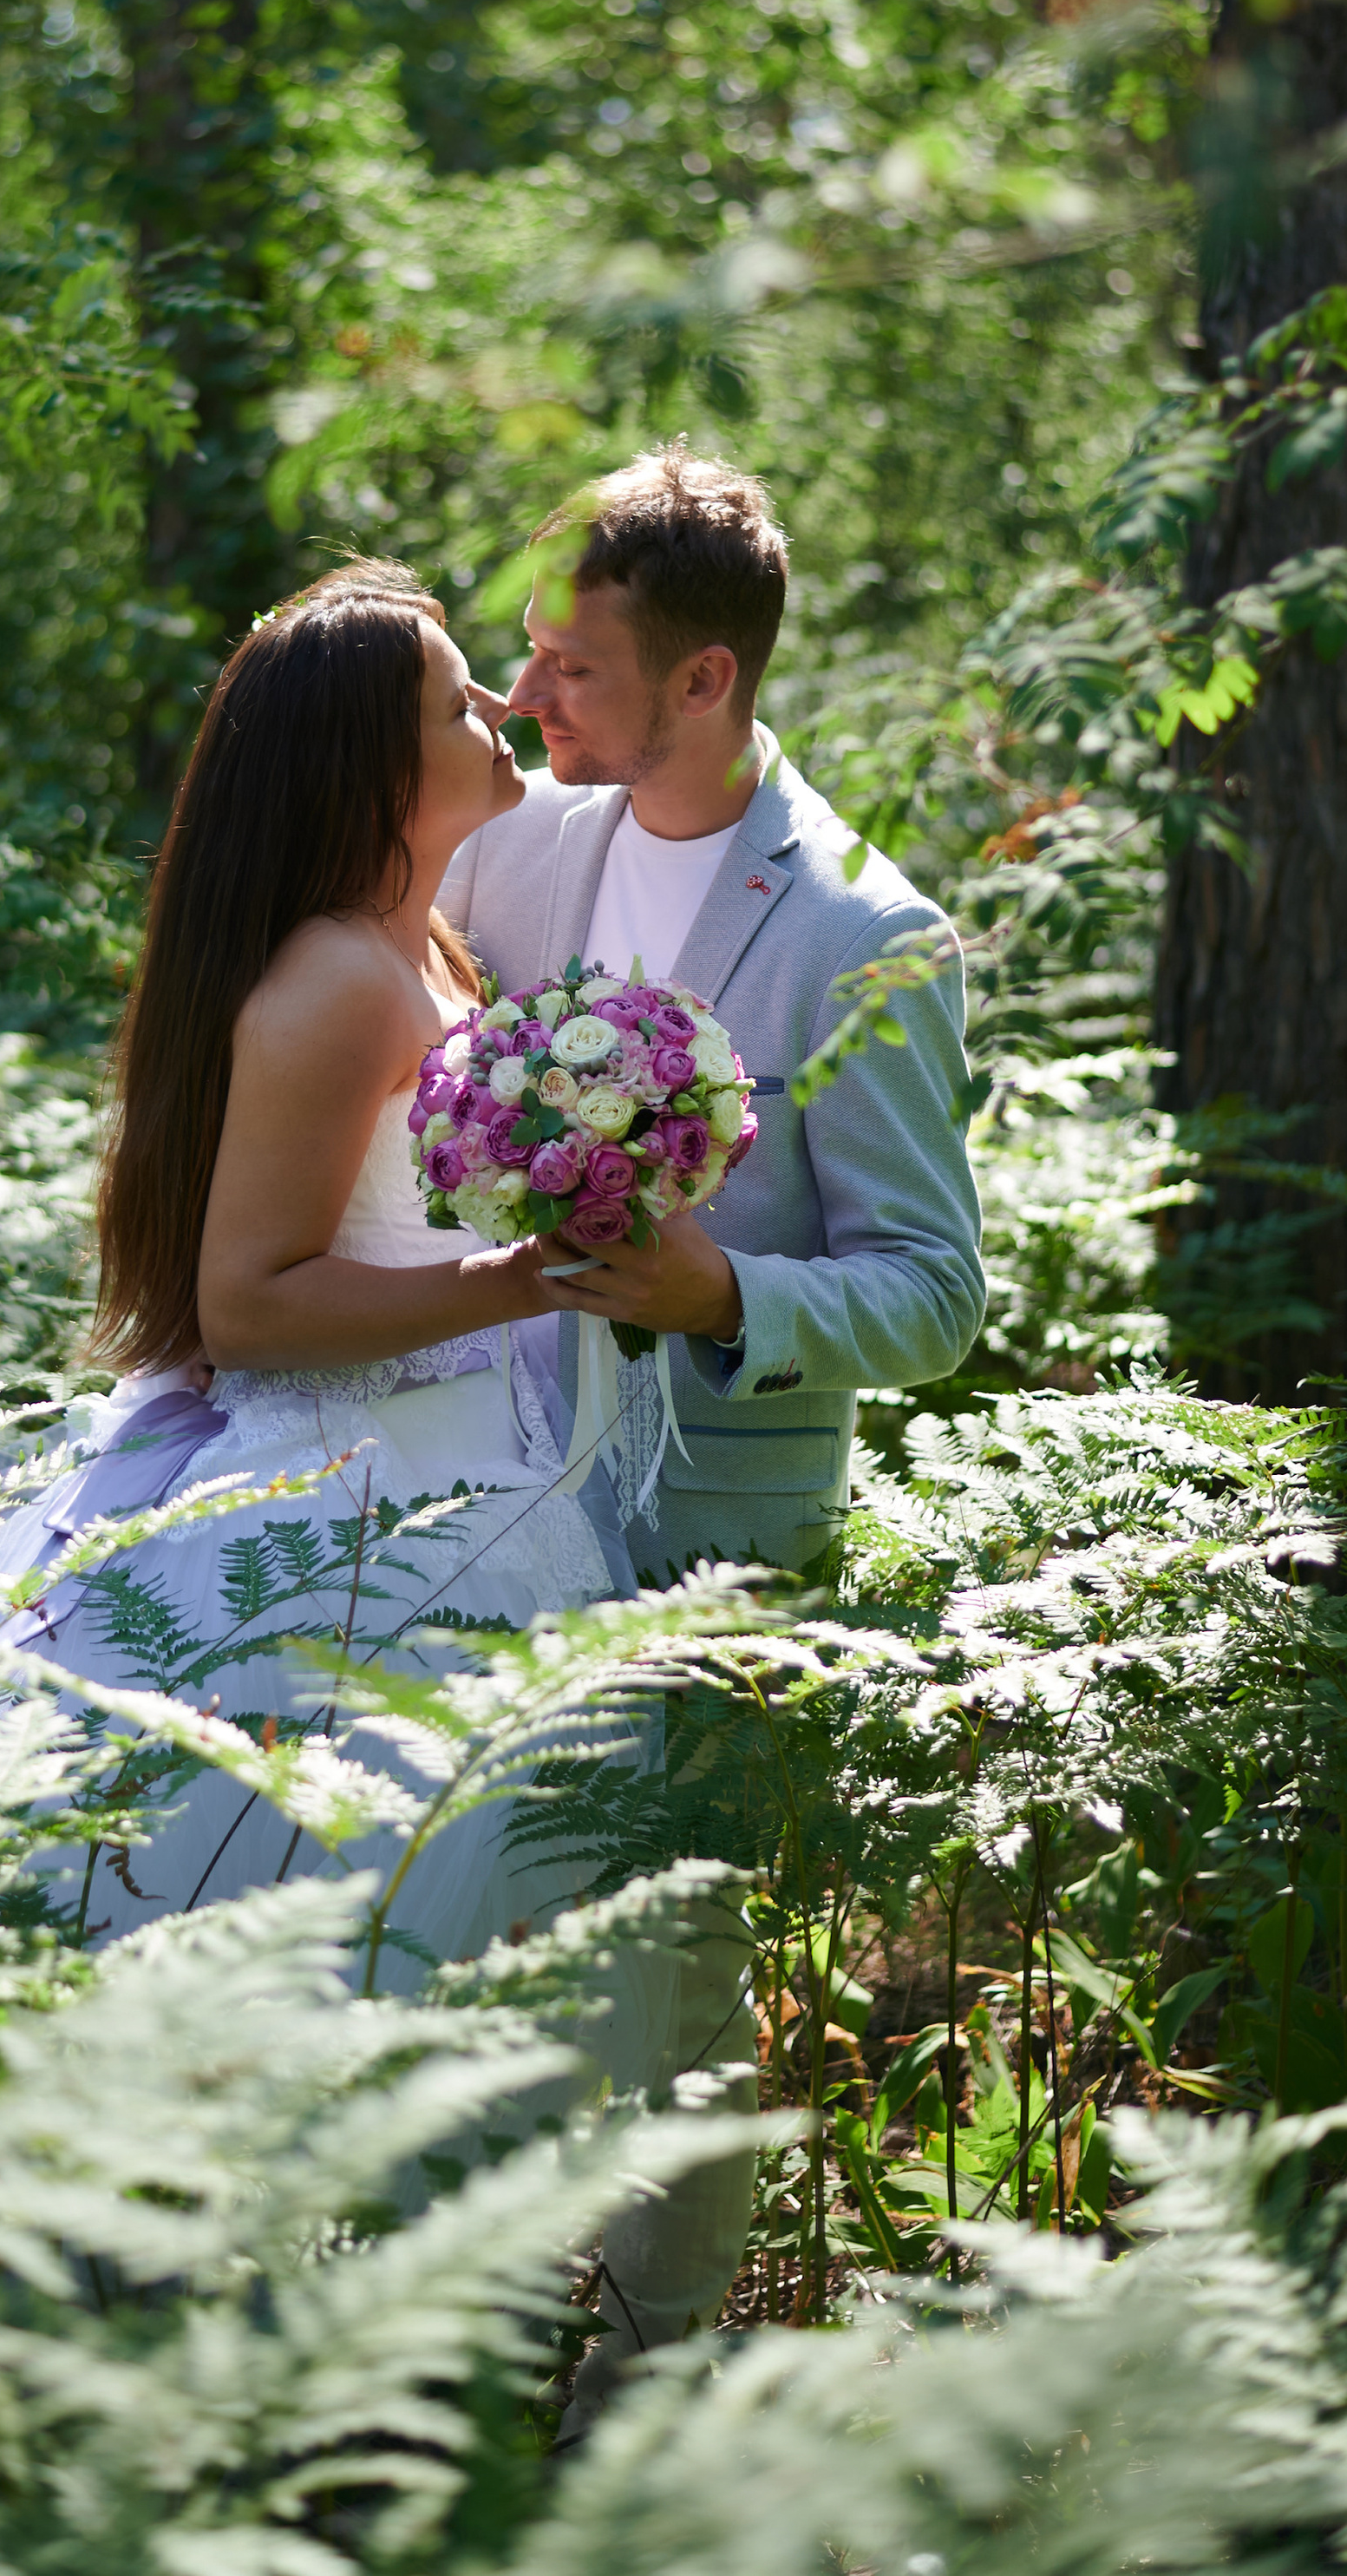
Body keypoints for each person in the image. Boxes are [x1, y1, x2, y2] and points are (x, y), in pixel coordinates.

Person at [0, 563, 635, 1979]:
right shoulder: (336, 981)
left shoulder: (426, 948)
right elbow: (248, 1305)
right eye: (459, 699)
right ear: (377, 768)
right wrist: (522, 1279)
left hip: (463, 1465)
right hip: (346, 1513)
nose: (501, 705)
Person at [437, 443, 986, 2391]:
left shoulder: (864, 932)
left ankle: (653, 2375)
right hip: (485, 1486)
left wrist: (722, 1293)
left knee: (671, 1967)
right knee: (490, 1919)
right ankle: (471, 2334)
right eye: (516, 659)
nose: (523, 705)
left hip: (719, 1529)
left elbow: (935, 1287)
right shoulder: (507, 856)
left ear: (703, 683)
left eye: (570, 672)